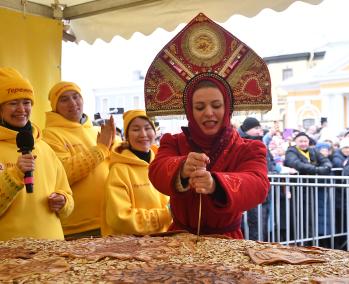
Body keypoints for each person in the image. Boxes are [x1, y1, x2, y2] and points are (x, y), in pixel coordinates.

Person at [146, 13, 271, 239]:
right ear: (190, 112)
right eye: (200, 107)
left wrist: (217, 184)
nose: (209, 113)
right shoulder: (173, 143)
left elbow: (258, 185)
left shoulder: (249, 149)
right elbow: (156, 171)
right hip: (179, 239)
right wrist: (182, 166)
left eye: (216, 105)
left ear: (227, 108)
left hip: (227, 242)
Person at [0, 67, 74, 240]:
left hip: (54, 249)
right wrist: (15, 174)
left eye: (26, 102)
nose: (21, 109)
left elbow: (67, 195)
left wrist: (63, 201)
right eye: (13, 103)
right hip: (10, 256)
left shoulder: (44, 147)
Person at [43, 81, 118, 239]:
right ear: (55, 107)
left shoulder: (97, 131)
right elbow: (64, 173)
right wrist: (102, 148)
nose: (73, 103)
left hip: (109, 221)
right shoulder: (50, 134)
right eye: (64, 99)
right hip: (77, 228)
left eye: (76, 97)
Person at [103, 110, 171, 236]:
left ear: (154, 132)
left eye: (147, 128)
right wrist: (165, 215)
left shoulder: (161, 164)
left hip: (164, 241)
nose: (143, 134)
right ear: (127, 136)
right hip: (129, 248)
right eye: (136, 129)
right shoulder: (119, 170)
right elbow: (120, 218)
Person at [237, 117, 276, 241]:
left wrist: (274, 171)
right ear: (247, 130)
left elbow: (270, 164)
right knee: (250, 228)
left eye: (260, 128)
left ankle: (260, 255)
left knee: (261, 227)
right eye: (256, 128)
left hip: (263, 193)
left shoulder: (261, 143)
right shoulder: (240, 143)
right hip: (248, 193)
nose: (260, 131)